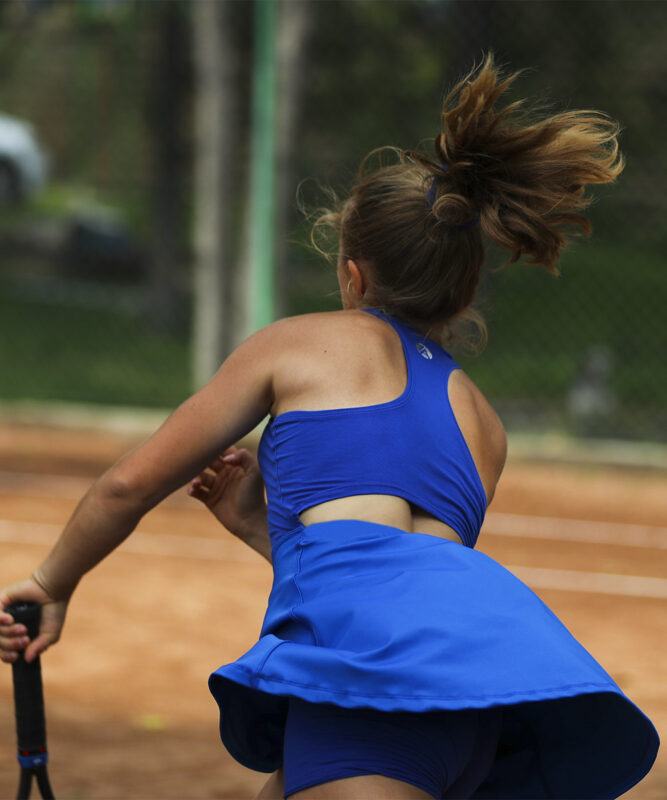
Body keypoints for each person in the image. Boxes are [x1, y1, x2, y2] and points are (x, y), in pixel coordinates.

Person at [0, 56, 659, 799]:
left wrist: (52, 581)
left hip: (371, 697)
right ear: (463, 286)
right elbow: (405, 589)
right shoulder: (484, 422)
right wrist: (261, 530)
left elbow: (128, 484)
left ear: (353, 274)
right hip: (478, 693)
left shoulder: (300, 343)